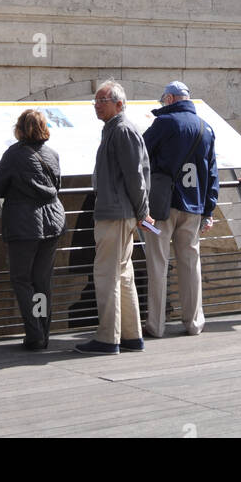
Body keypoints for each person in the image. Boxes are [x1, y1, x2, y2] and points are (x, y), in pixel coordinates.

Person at [75, 80, 152, 355]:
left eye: (102, 101)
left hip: (117, 214)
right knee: (123, 273)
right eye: (95, 101)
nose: (96, 105)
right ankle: (131, 336)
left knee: (107, 274)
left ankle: (108, 338)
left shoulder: (121, 131)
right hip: (120, 211)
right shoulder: (116, 130)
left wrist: (142, 211)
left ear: (119, 104)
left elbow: (136, 175)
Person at [0, 108, 66, 350]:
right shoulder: (52, 154)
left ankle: (34, 333)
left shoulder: (15, 155)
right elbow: (57, 185)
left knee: (22, 280)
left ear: (20, 129)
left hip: (25, 224)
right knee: (42, 281)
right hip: (53, 221)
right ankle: (43, 331)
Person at [142, 81, 218, 338]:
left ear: (171, 99)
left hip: (162, 205)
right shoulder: (206, 128)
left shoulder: (164, 123)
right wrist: (209, 209)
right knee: (190, 264)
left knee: (157, 263)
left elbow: (141, 154)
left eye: (164, 100)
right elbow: (213, 173)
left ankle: (156, 324)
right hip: (194, 204)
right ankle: (194, 322)